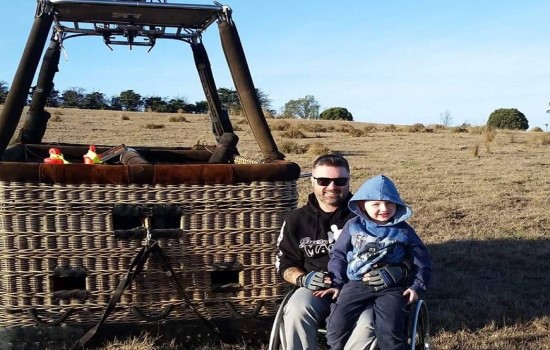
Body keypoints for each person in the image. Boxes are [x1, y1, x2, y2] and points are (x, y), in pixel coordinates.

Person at [275, 154, 376, 350]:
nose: (332, 186)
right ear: (312, 181)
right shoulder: (295, 220)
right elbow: (284, 262)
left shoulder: (367, 217)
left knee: (368, 321)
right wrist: (303, 279)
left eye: (340, 180)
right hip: (315, 289)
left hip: (359, 289)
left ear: (349, 181)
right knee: (296, 309)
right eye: (323, 180)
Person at [321, 175, 432, 350]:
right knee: (336, 324)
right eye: (376, 204)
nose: (384, 209)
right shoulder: (353, 226)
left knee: (390, 330)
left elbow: (421, 259)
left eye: (389, 203)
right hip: (356, 284)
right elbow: (339, 254)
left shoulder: (403, 230)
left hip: (391, 287)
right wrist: (337, 282)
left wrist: (417, 286)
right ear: (362, 205)